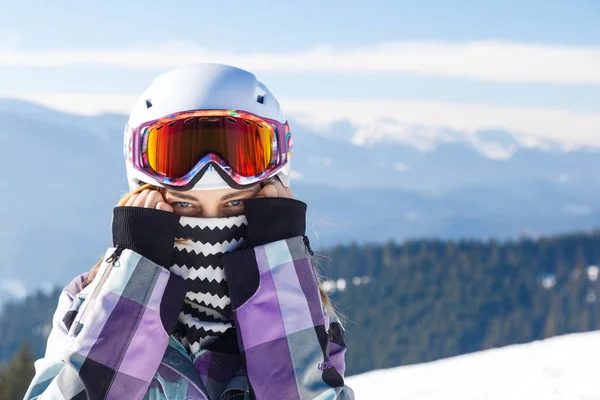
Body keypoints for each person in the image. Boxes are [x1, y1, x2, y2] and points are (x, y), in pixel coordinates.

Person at [24, 63, 354, 399]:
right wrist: (132, 290)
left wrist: (280, 288)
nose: (211, 225)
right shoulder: (91, 304)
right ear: (147, 203)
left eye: (233, 205)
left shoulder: (303, 313)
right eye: (184, 206)